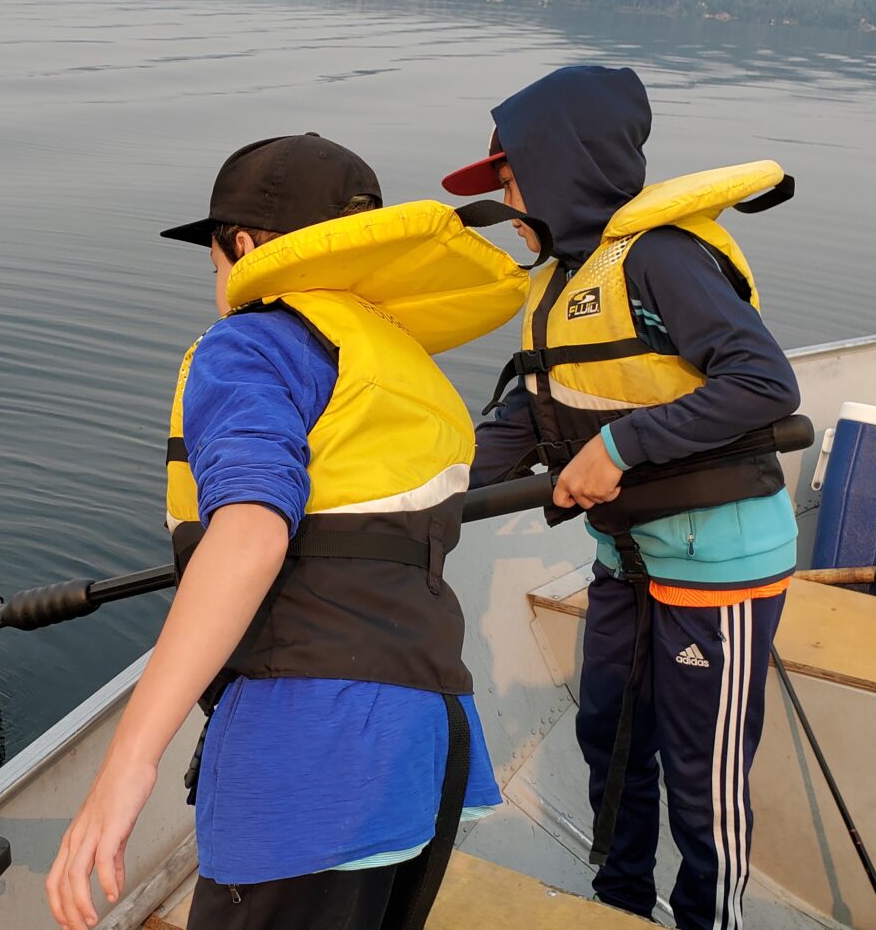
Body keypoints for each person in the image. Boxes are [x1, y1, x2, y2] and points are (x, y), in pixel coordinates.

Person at [44, 134, 528, 930]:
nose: (218, 286)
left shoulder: (251, 343)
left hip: (317, 759)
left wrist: (126, 763)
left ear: (243, 246)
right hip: (428, 747)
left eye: (214, 267)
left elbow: (252, 534)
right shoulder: (391, 356)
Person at [441, 66, 801, 930]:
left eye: (510, 178)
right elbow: (517, 427)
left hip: (719, 569)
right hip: (622, 562)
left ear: (562, 168)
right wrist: (425, 496)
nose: (506, 200)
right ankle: (621, 905)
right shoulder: (556, 285)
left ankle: (709, 919)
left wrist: (621, 445)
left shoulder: (663, 259)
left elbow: (764, 382)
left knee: (700, 774)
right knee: (609, 737)